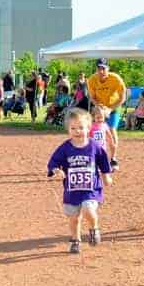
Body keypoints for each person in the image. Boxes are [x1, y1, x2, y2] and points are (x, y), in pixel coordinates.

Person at [47, 108, 114, 253]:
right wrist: (56, 170)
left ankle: (93, 228)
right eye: (73, 128)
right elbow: (53, 161)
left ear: (89, 128)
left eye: (81, 128)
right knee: (74, 218)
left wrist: (106, 176)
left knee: (88, 209)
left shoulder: (94, 146)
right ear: (68, 130)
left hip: (91, 189)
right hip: (72, 190)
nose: (78, 131)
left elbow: (103, 162)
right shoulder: (65, 148)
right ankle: (75, 239)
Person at [86, 59, 127, 168]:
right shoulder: (92, 80)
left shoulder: (115, 79)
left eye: (103, 68)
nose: (101, 71)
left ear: (108, 69)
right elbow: (92, 97)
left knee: (111, 130)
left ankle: (113, 158)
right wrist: (99, 107)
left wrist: (110, 109)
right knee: (94, 130)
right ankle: (93, 155)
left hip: (114, 107)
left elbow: (123, 97)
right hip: (100, 108)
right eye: (99, 69)